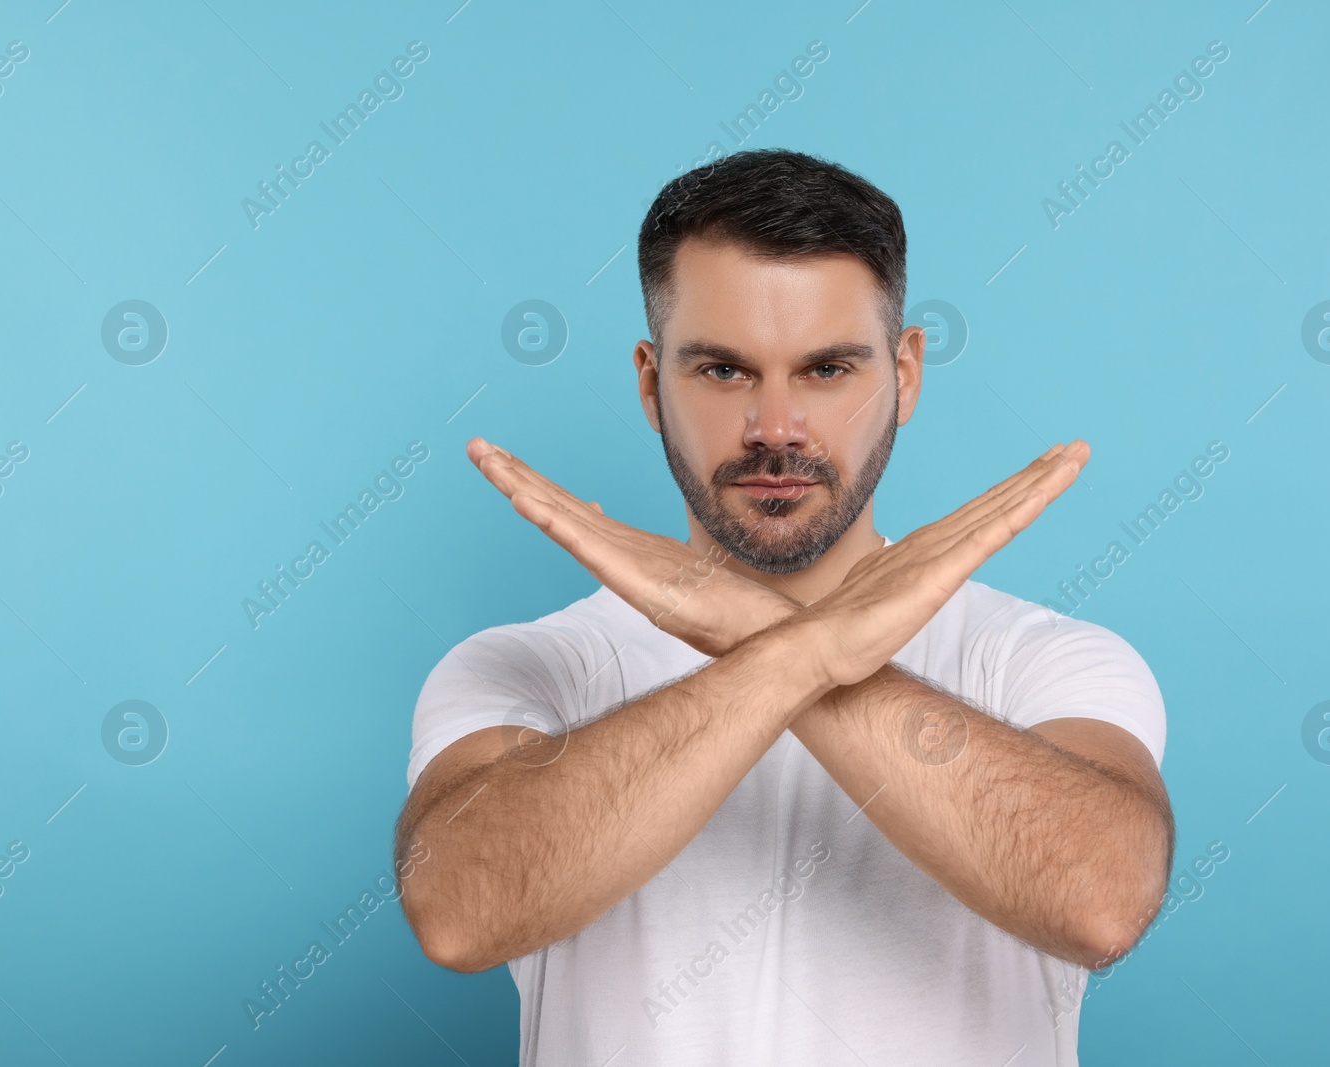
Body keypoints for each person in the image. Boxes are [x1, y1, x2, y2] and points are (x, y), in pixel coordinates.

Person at [394, 148, 1174, 1066]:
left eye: (827, 370)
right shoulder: (528, 667)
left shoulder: (1042, 658)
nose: (775, 426)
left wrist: (758, 636)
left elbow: (1101, 900)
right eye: (723, 371)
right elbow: (455, 909)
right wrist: (808, 647)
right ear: (650, 383)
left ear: (906, 372)